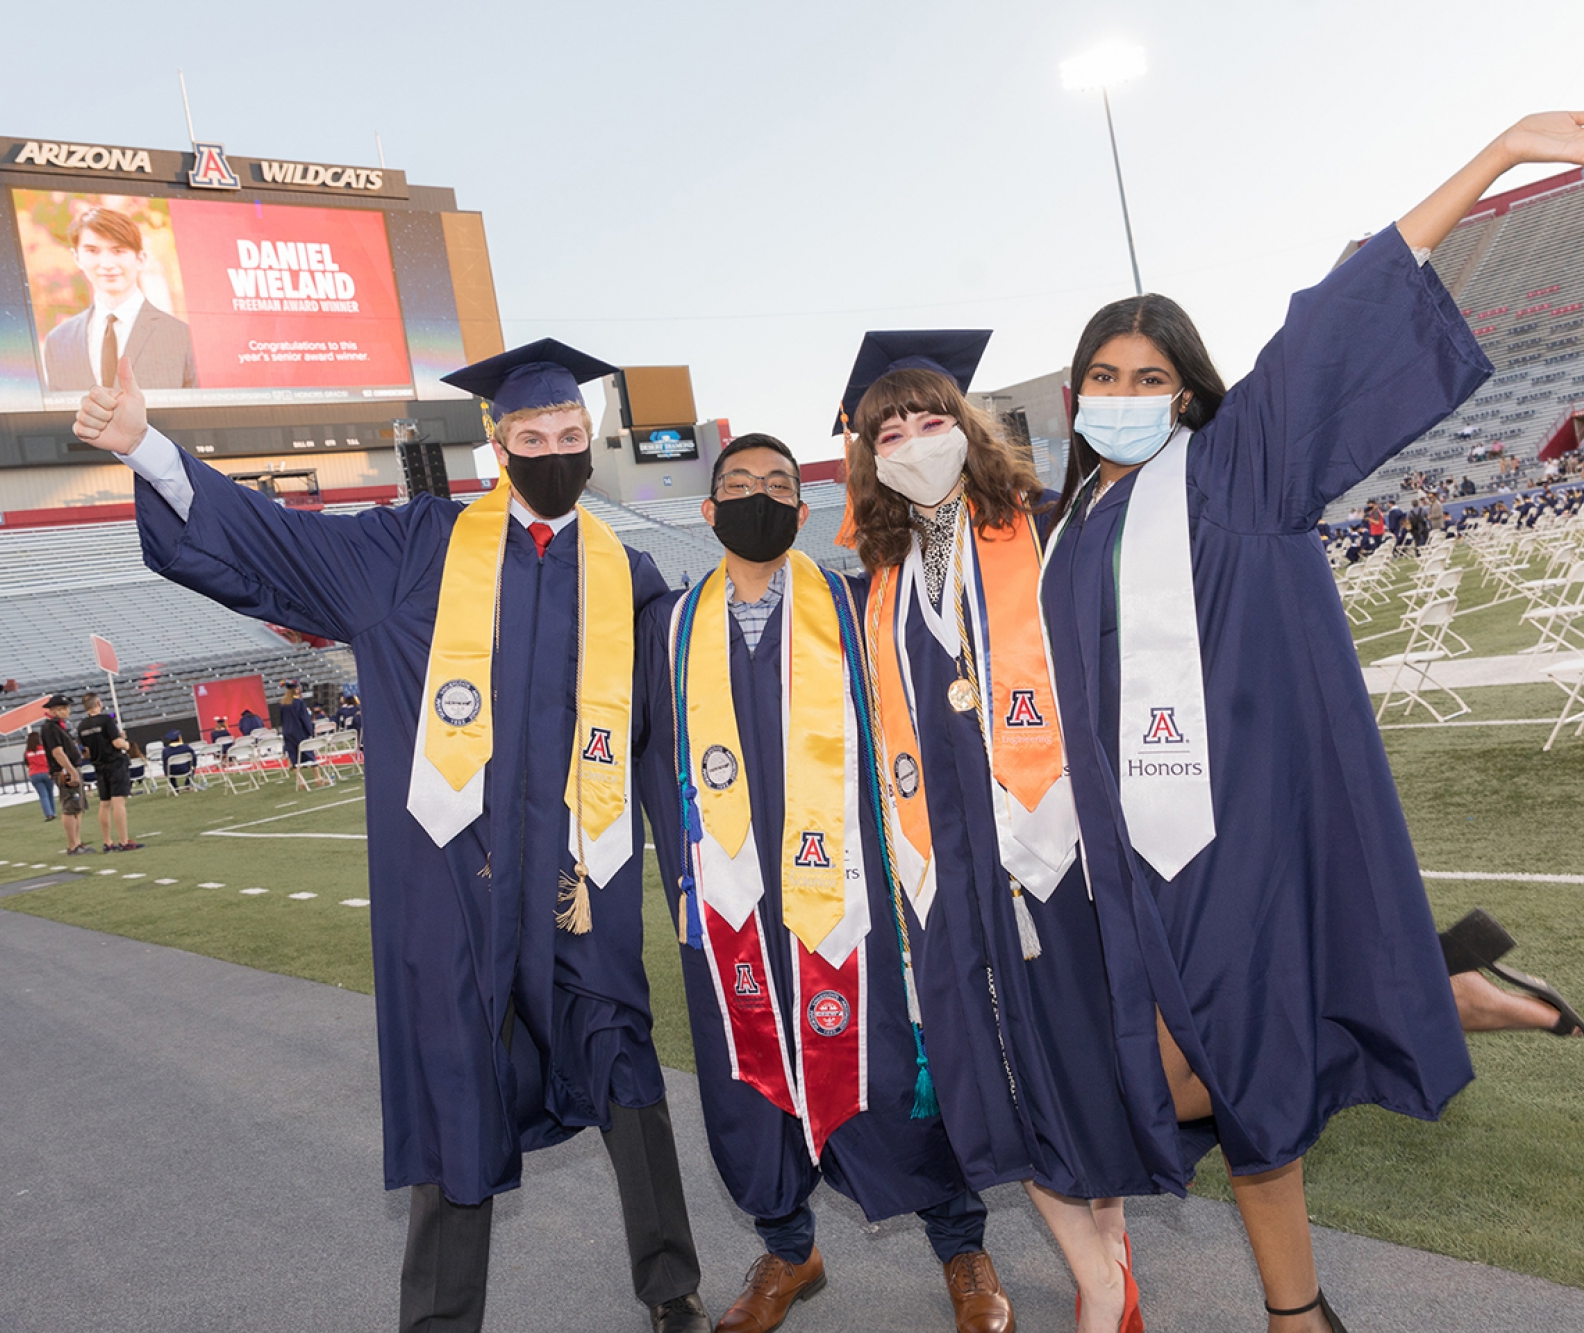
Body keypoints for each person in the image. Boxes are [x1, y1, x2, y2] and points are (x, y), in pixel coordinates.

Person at [1036, 109, 1584, 1333]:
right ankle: (1424, 1009)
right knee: (1205, 1081)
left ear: (1186, 395)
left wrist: (1498, 155)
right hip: (1129, 852)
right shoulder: (1066, 540)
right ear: (1072, 395)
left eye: (1148, 378)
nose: (1122, 395)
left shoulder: (1235, 466)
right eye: (1103, 378)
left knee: (1214, 1074)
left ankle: (1300, 1298)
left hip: (1243, 830)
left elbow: (1332, 321)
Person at [73, 342, 707, 1333]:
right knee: (458, 1078)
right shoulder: (417, 546)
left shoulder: (625, 576)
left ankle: (672, 1289)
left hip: (581, 873)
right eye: (531, 437)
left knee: (622, 1058)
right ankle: (439, 1323)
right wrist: (150, 448)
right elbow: (279, 545)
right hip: (455, 878)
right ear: (498, 446)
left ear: (592, 444)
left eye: (570, 436)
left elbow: (678, 710)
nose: (553, 451)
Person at [638, 433, 1009, 1333]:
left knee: (888, 1059)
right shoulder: (668, 628)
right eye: (739, 483)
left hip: (853, 894)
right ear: (708, 508)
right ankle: (789, 1245)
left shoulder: (852, 608)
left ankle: (962, 1246)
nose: (757, 495)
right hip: (731, 900)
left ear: (804, 515)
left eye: (776, 484)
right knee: (747, 1075)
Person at [839, 330, 1147, 1333]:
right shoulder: (874, 581)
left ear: (965, 426)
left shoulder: (1043, 529)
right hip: (946, 862)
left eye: (931, 420)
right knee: (996, 1080)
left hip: (1048, 841)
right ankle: (1096, 1277)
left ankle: (1108, 1234)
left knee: (1080, 1051)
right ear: (870, 456)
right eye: (892, 430)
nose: (915, 440)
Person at [41, 207, 198, 392]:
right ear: (77, 258)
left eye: (118, 251)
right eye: (92, 251)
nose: (107, 264)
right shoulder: (59, 341)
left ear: (140, 258)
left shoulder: (181, 336)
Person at [76, 691, 142, 852]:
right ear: (98, 703)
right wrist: (126, 744)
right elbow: (117, 743)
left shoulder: (82, 726)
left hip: (99, 765)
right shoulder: (106, 720)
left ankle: (107, 842)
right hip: (115, 764)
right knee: (119, 801)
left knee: (104, 804)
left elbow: (87, 751)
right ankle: (124, 841)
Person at [40, 695, 90, 856]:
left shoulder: (58, 726)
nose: (68, 711)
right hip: (64, 771)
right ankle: (72, 845)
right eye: (64, 708)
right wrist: (71, 771)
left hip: (70, 768)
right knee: (70, 807)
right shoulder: (50, 728)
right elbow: (57, 752)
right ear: (55, 710)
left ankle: (77, 842)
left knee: (77, 807)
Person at [277, 679, 314, 766]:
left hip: (287, 732)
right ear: (295, 689)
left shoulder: (282, 704)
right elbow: (304, 719)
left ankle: (300, 779)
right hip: (299, 732)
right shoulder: (299, 703)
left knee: (294, 757)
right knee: (309, 754)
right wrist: (310, 731)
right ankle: (318, 777)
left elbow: (282, 720)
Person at [25, 729, 56, 821]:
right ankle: (53, 812)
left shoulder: (27, 752)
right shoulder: (44, 748)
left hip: (34, 774)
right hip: (46, 772)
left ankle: (48, 814)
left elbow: (27, 764)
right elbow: (50, 760)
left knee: (43, 795)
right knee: (50, 793)